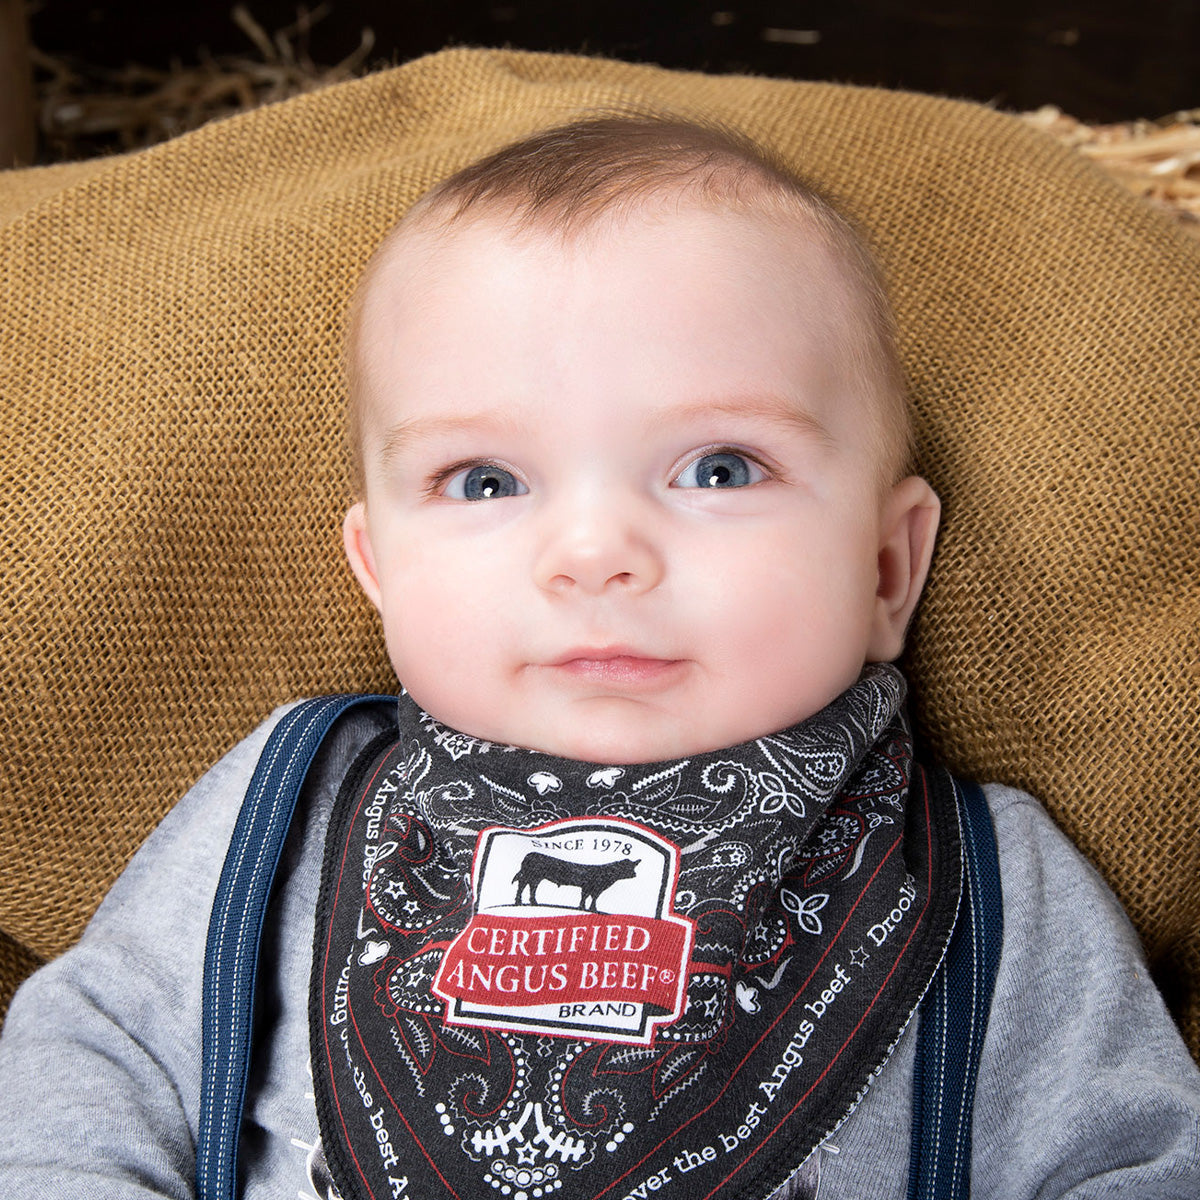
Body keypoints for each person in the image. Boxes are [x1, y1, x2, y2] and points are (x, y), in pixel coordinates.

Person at [1, 115, 1198, 1200]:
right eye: (484, 481)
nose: (594, 553)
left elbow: (1136, 1160)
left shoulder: (988, 878)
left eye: (719, 469)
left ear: (888, 569)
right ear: (379, 571)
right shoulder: (295, 799)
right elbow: (95, 1055)